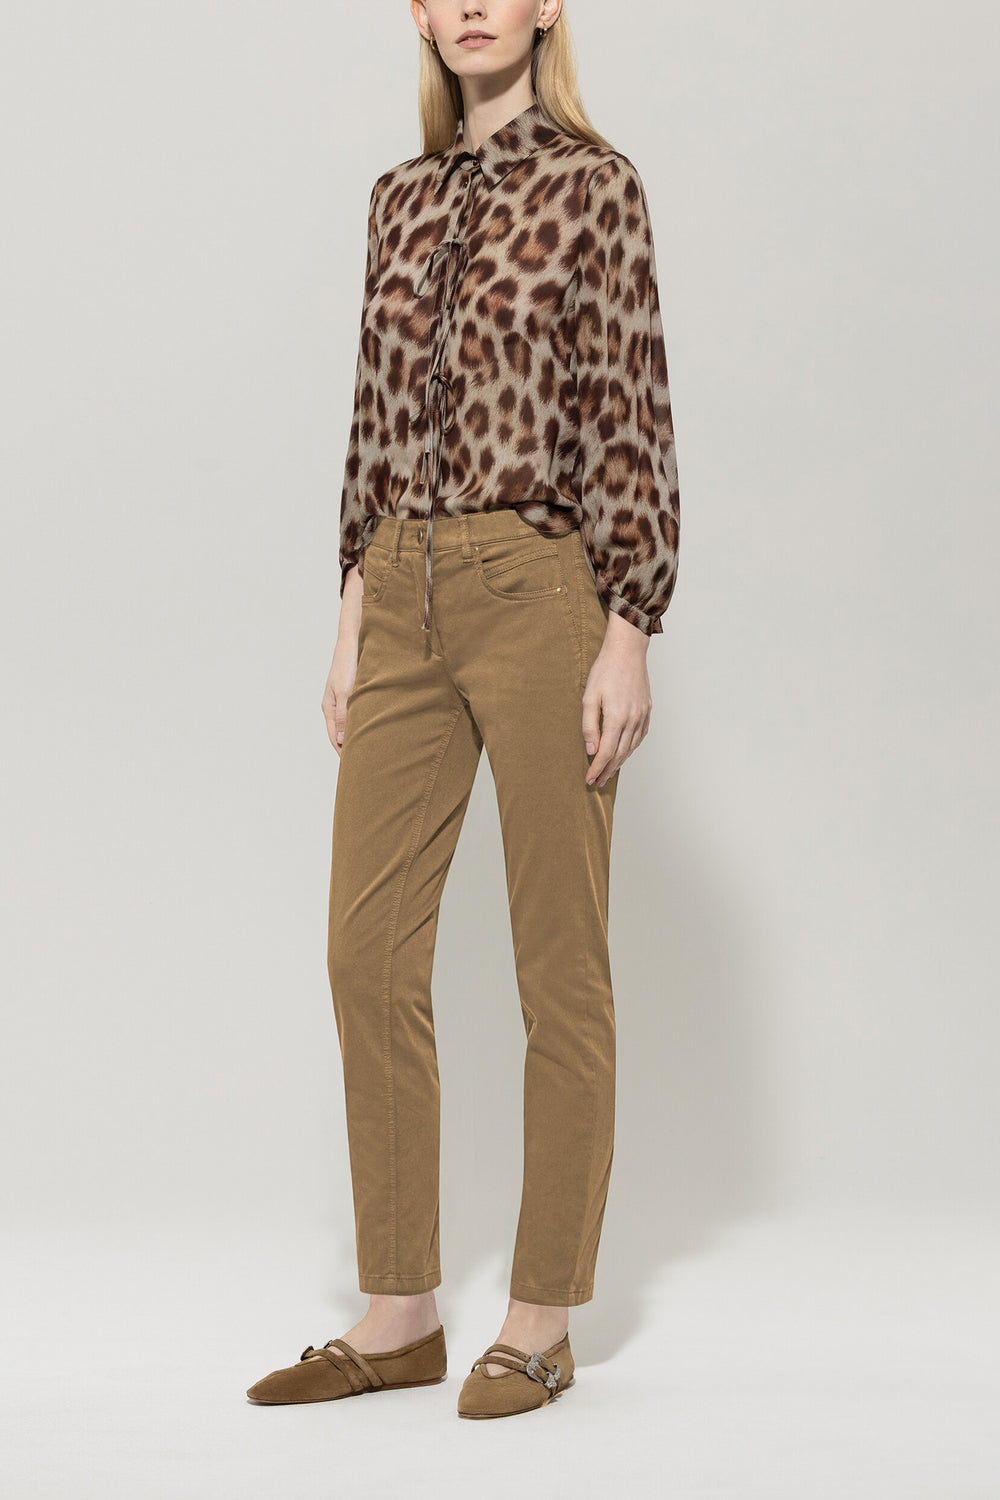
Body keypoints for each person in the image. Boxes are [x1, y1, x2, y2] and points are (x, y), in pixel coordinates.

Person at [246, 0, 680, 1421]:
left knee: (560, 963)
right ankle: (400, 1314)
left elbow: (630, 410)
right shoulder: (400, 197)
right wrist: (351, 610)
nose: (474, 6)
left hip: (541, 586)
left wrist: (629, 627)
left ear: (548, 5)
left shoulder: (596, 186)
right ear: (422, 17)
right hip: (400, 583)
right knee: (365, 951)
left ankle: (541, 1316)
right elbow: (375, 416)